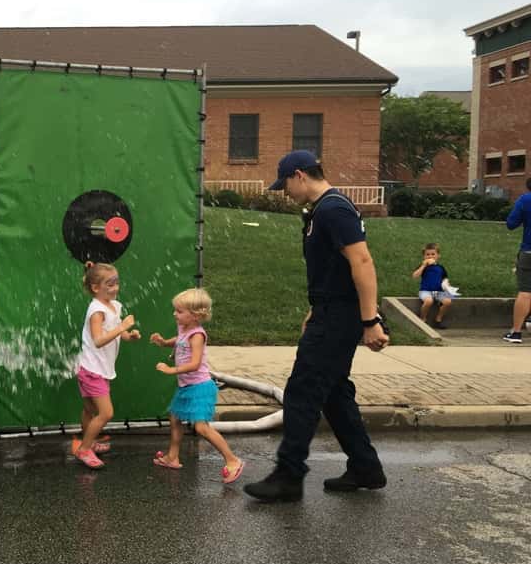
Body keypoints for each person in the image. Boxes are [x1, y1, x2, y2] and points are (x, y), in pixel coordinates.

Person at [244, 150, 389, 503]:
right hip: (330, 311)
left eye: (285, 185)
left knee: (302, 390)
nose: (286, 192)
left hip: (340, 316)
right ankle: (365, 467)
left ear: (299, 175)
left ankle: (289, 475)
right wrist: (316, 307)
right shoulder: (324, 210)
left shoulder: (333, 209)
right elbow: (334, 268)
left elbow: (362, 261)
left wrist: (370, 320)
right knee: (335, 393)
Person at [150, 287, 244, 483]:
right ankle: (172, 457)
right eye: (175, 310)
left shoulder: (197, 335)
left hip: (200, 388)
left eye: (179, 311)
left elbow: (194, 364)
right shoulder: (184, 329)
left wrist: (170, 370)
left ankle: (232, 460)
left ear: (195, 315)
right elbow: (179, 342)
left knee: (201, 428)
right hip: (186, 387)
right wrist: (164, 342)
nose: (175, 314)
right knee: (175, 419)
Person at [71, 261, 140, 469]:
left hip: (97, 369)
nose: (115, 288)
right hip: (93, 371)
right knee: (106, 413)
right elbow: (99, 340)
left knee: (89, 411)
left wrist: (129, 335)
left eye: (117, 283)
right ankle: (84, 449)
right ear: (95, 288)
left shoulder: (113, 305)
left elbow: (115, 332)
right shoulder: (96, 311)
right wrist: (122, 327)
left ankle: (89, 442)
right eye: (110, 284)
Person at [503, 177, 531, 344]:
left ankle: (516, 332)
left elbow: (511, 223)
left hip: (529, 250)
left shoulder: (525, 199)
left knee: (526, 291)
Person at [411, 243, 456, 329]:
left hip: (438, 291)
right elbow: (415, 276)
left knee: (448, 301)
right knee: (428, 301)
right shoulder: (423, 267)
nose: (430, 256)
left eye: (433, 254)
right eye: (427, 254)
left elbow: (445, 278)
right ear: (424, 256)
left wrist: (446, 284)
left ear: (438, 256)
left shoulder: (440, 268)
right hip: (425, 291)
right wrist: (424, 265)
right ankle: (422, 319)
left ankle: (438, 319)